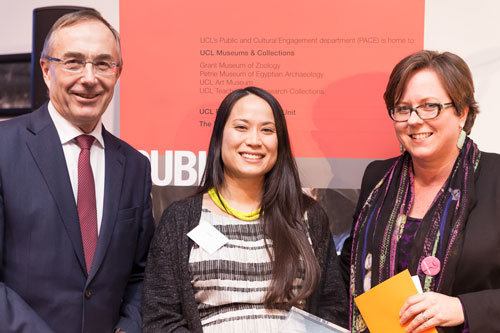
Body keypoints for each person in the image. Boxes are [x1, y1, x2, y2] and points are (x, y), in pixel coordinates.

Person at [142, 86, 348, 332]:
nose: (254, 140)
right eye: (241, 127)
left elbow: (333, 308)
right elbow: (161, 317)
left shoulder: (308, 217)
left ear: (279, 142)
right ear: (220, 136)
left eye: (267, 130)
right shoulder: (180, 220)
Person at [0, 9, 154, 333]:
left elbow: (142, 275)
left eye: (102, 64)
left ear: (117, 72)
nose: (89, 77)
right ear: (46, 70)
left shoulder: (136, 167)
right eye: (73, 62)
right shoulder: (4, 147)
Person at [341, 50, 500, 332]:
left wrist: (464, 307)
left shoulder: (495, 177)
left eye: (429, 106)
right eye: (403, 108)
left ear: (462, 112)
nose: (414, 120)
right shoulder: (377, 177)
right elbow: (349, 268)